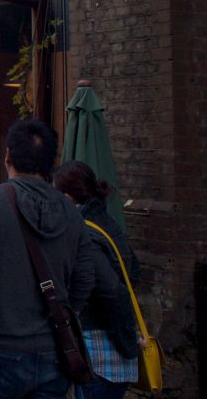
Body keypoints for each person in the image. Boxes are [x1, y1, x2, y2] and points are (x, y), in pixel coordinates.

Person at [0, 118, 94, 399]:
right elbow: (84, 279)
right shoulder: (73, 215)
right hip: (52, 352)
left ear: (7, 155)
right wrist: (63, 314)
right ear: (50, 162)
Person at [54, 160, 141, 399]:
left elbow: (113, 290)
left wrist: (127, 341)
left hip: (100, 356)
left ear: (68, 196)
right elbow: (134, 273)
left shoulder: (86, 234)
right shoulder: (108, 224)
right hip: (115, 360)